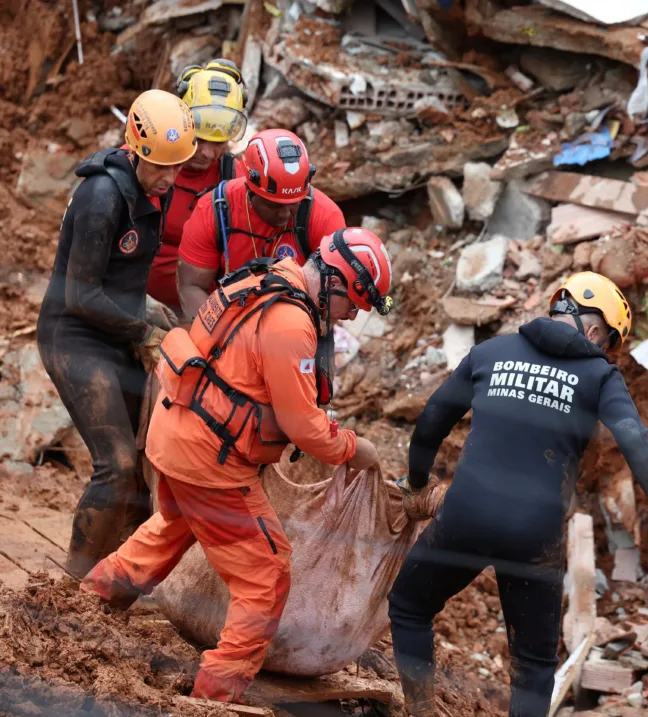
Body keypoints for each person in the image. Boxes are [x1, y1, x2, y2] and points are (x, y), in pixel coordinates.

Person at [81, 228, 394, 703]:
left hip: (174, 434)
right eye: (352, 303)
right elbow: (306, 429)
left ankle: (90, 603)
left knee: (174, 524)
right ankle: (214, 696)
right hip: (210, 459)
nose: (352, 315)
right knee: (266, 572)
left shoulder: (261, 277)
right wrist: (354, 447)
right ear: (332, 281)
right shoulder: (292, 323)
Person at [387, 272, 648, 717]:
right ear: (595, 330)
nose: (604, 350)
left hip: (466, 515)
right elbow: (634, 440)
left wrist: (417, 483)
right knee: (533, 665)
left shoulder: (492, 351)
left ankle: (419, 712)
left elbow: (432, 419)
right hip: (534, 536)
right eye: (608, 341)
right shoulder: (598, 375)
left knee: (408, 606)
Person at [37, 89, 196, 579]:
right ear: (136, 150)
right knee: (118, 461)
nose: (171, 178)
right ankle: (72, 582)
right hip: (75, 335)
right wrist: (144, 331)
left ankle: (123, 580)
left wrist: (151, 313)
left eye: (178, 167)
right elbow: (81, 294)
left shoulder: (153, 190)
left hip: (118, 331)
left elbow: (123, 277)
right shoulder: (102, 197)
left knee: (146, 458)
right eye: (160, 166)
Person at [176, 128, 345, 320]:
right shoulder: (214, 210)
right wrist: (229, 334)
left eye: (293, 204)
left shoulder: (325, 217)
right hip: (225, 318)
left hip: (298, 323)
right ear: (249, 188)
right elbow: (191, 286)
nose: (284, 214)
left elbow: (334, 299)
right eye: (273, 205)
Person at [145, 59, 249, 312]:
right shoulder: (144, 162)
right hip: (131, 307)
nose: (206, 152)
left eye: (219, 143)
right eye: (199, 139)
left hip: (198, 316)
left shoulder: (234, 180)